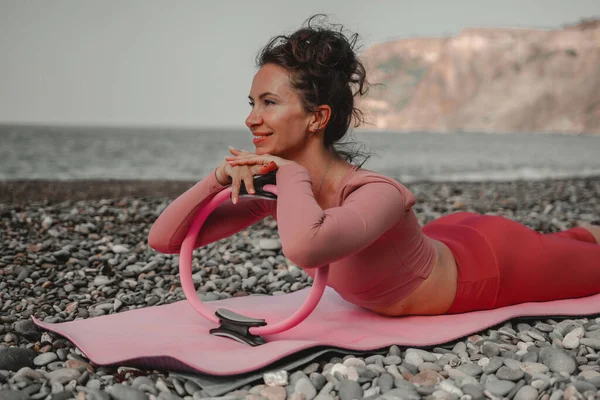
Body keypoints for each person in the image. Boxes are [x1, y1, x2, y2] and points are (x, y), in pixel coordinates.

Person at [148, 15, 600, 316]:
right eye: (251, 103)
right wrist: (217, 178)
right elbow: (166, 240)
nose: (251, 118)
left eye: (269, 102)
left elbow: (306, 248)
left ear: (317, 118)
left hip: (488, 267)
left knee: (589, 258)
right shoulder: (282, 195)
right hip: (447, 236)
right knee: (574, 238)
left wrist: (288, 172)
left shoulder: (375, 191)